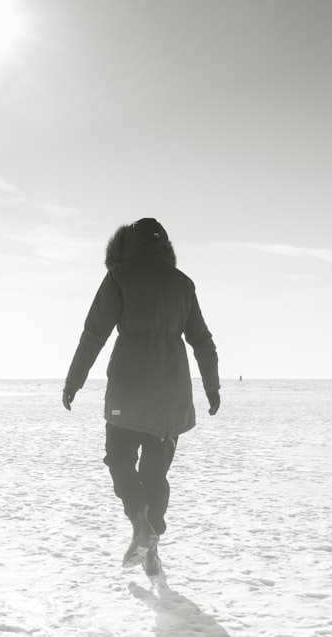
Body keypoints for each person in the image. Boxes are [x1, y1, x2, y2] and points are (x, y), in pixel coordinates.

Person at [62, 218, 221, 578]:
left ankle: (140, 525)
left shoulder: (120, 275)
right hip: (171, 396)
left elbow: (94, 332)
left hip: (129, 391)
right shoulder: (183, 284)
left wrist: (74, 379)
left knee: (118, 458)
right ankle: (153, 544)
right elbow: (202, 341)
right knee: (155, 474)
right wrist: (212, 386)